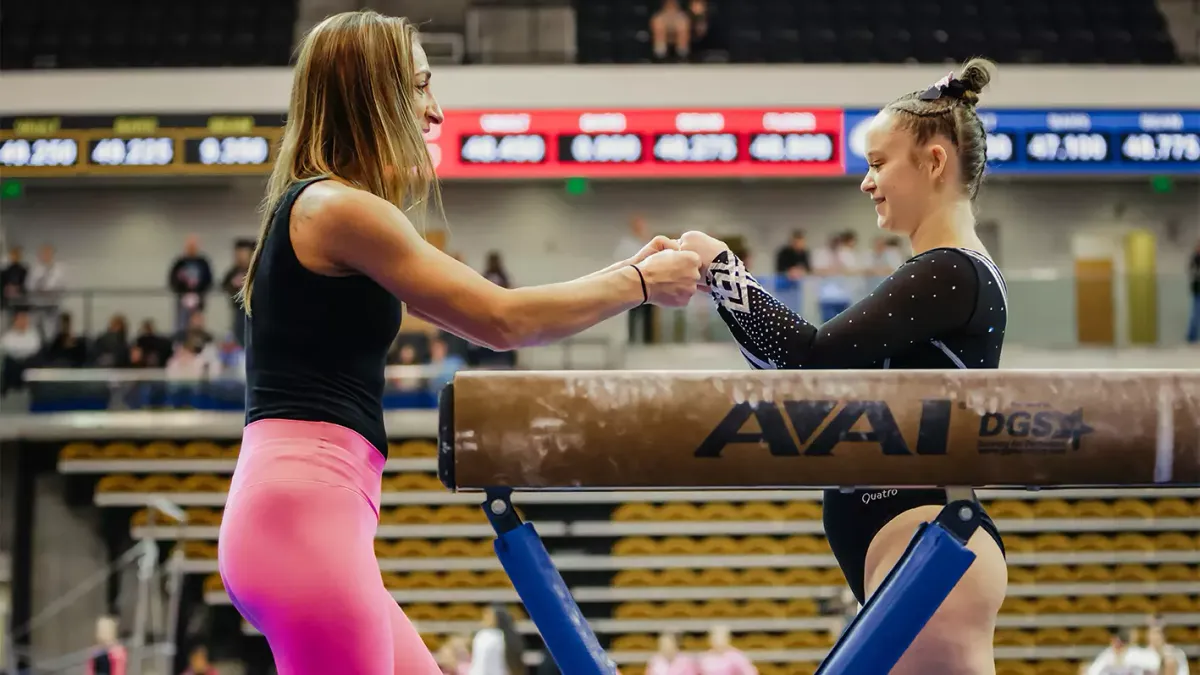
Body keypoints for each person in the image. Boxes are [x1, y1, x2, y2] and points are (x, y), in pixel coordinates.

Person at [215, 11, 700, 675]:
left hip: (306, 516)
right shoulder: (341, 210)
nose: (435, 110)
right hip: (303, 518)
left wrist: (627, 275)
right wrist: (639, 282)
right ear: (371, 94)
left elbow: (490, 313)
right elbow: (501, 320)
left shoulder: (327, 211)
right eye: (418, 86)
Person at [679, 60, 1008, 675]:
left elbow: (809, 359)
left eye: (879, 163)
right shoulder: (940, 272)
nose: (866, 182)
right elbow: (797, 375)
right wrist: (723, 285)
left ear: (935, 163)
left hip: (928, 544)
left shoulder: (949, 270)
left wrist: (723, 267)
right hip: (912, 541)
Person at [469, 605, 524, 675]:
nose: (484, 618)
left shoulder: (484, 637)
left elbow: (480, 665)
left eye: (487, 616)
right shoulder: (511, 637)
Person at [1085, 627, 1157, 675]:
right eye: (1114, 641)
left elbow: (1154, 664)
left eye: (1118, 642)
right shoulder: (1107, 655)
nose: (1116, 645)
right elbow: (1092, 671)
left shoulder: (1135, 653)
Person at [1187, 239, 1199, 344]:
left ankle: (1193, 336)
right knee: (1195, 313)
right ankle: (1192, 337)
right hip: (1197, 289)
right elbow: (1193, 272)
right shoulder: (1195, 259)